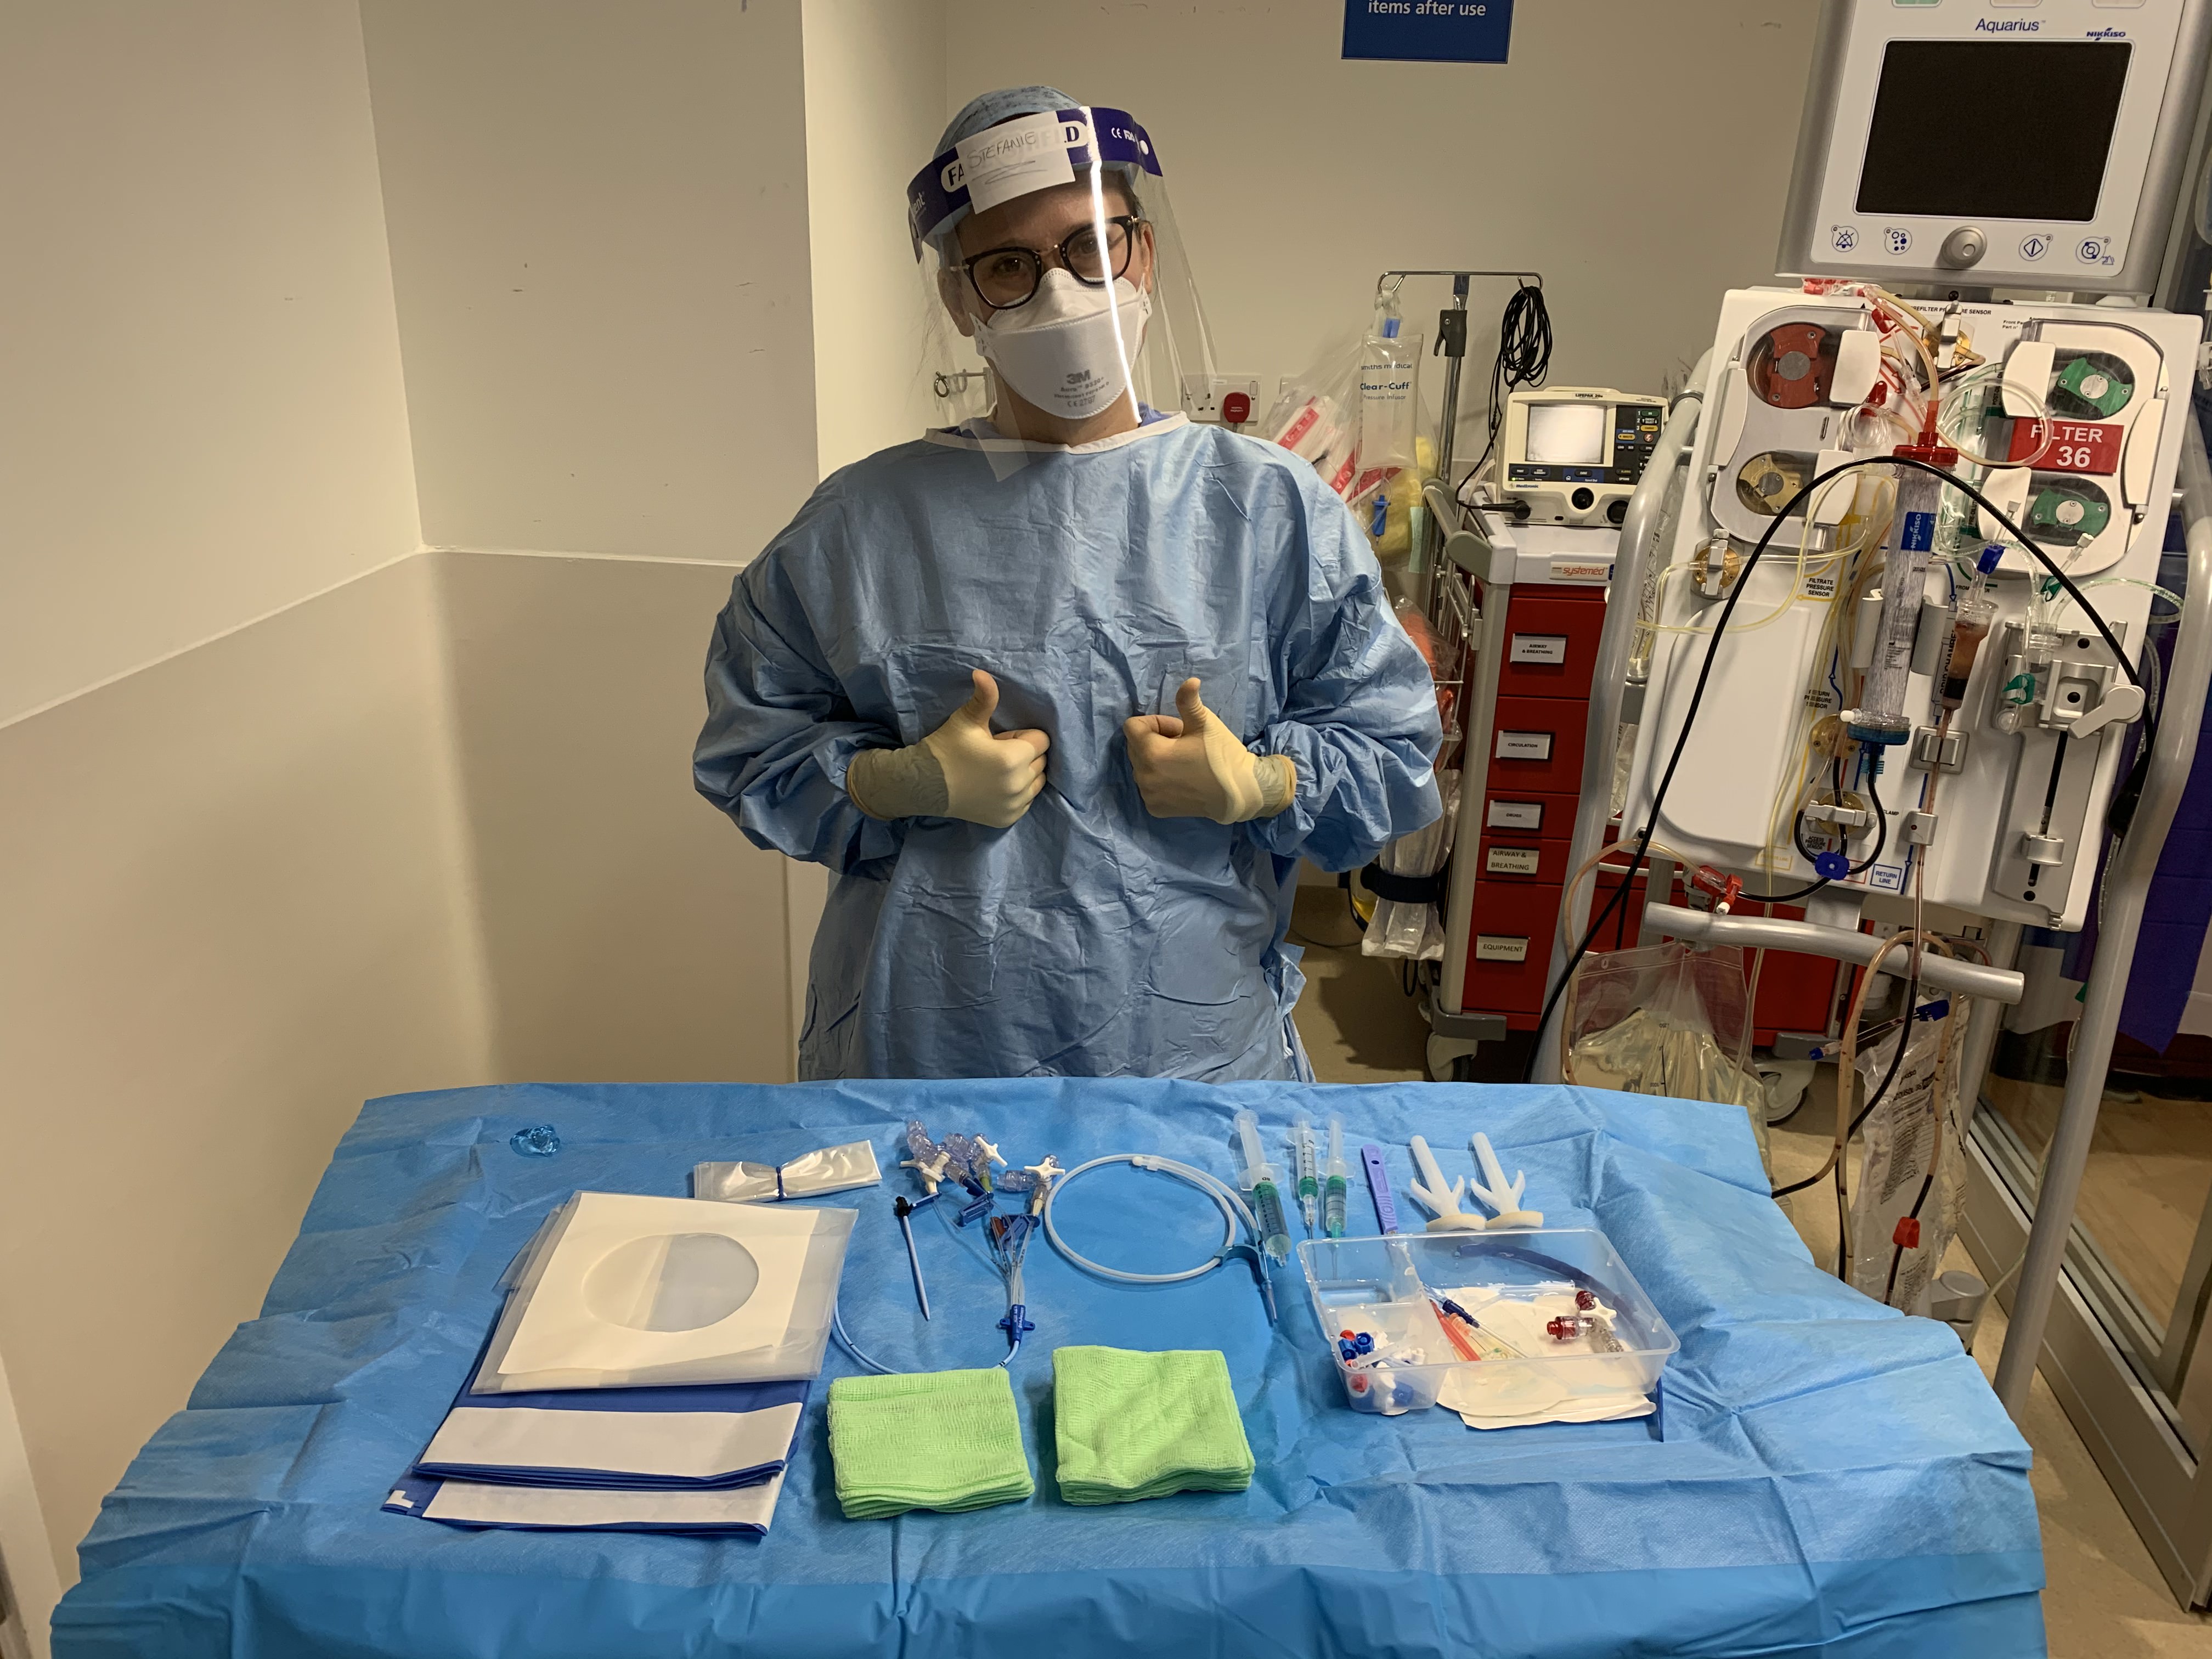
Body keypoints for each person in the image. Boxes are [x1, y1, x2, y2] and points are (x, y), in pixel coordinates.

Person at [695, 86, 1441, 1081]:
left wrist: (1265, 781)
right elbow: (753, 748)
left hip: (1186, 1048)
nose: (1062, 291)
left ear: (1144, 253)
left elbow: (1390, 750)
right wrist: (888, 781)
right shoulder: (860, 526)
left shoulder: (1266, 509)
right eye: (1009, 265)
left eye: (1093, 242)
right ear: (961, 299)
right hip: (928, 1046)